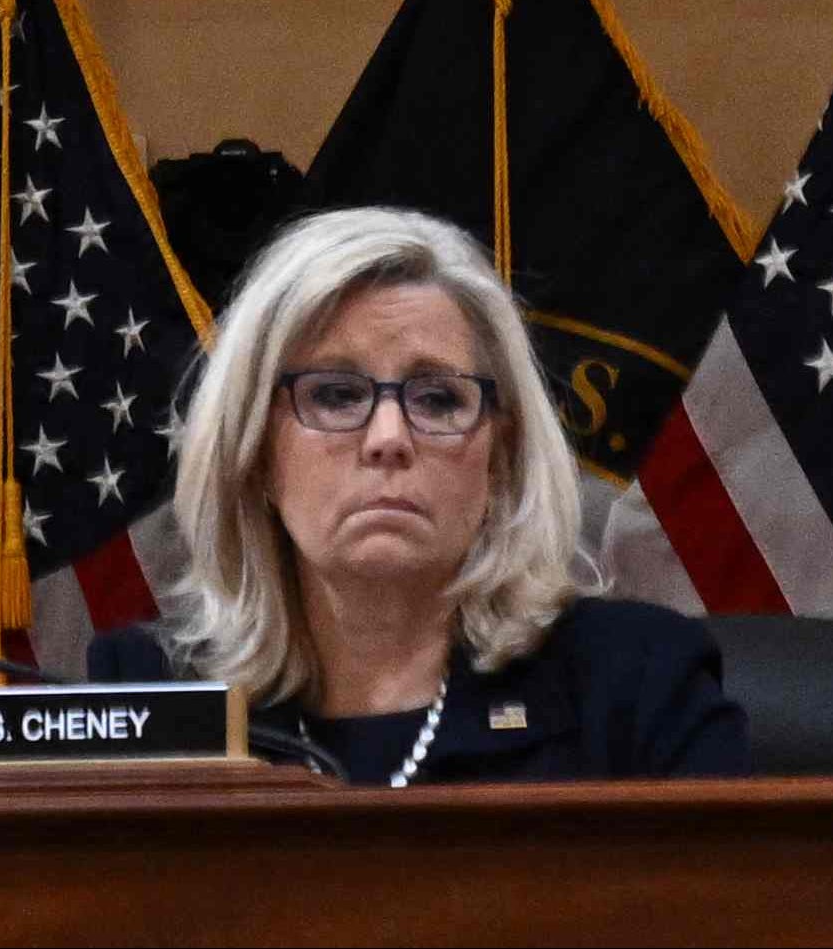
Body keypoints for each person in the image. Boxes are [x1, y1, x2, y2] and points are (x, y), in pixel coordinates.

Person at [132, 205, 740, 782]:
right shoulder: (154, 698)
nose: (388, 438)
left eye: (438, 399)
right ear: (255, 450)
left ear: (500, 457)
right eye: (336, 395)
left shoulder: (637, 684)